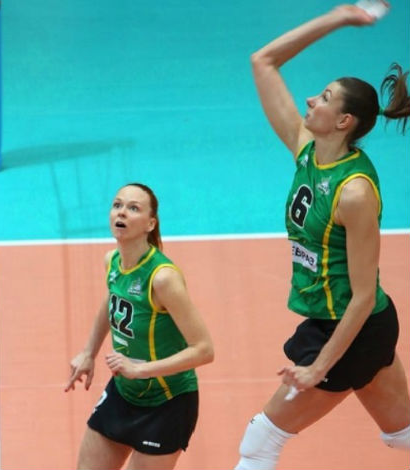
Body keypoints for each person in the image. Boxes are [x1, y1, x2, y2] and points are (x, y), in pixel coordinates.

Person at [233, 4, 410, 469]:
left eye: (325, 97)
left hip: (351, 327)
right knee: (404, 436)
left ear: (344, 121)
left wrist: (318, 367)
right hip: (341, 320)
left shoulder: (354, 193)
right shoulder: (307, 150)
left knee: (260, 441)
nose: (311, 100)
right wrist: (341, 16)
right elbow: (263, 61)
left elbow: (362, 295)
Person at [65, 183, 214, 470]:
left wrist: (139, 370)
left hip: (168, 402)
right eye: (117, 205)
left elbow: (204, 350)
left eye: (133, 208)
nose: (122, 212)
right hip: (124, 392)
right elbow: (112, 300)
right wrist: (88, 352)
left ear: (150, 224)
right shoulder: (112, 261)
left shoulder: (162, 278)